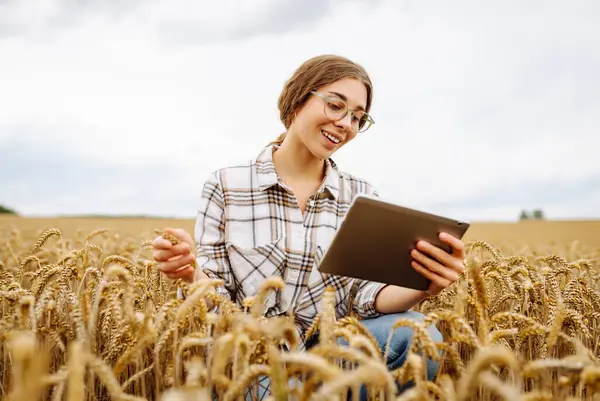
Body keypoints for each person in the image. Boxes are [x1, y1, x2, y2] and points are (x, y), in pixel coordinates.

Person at [151, 54, 466, 400]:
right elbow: (217, 301)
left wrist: (424, 287)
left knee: (419, 335)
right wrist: (190, 273)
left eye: (358, 118)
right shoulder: (226, 186)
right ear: (299, 99)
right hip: (252, 358)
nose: (345, 123)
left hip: (332, 352)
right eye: (335, 105)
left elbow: (364, 296)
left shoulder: (359, 195)